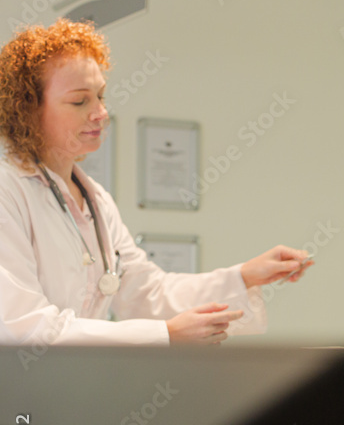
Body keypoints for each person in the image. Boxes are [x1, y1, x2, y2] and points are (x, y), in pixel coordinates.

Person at [0, 19, 312, 347]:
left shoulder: (96, 201)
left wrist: (244, 276)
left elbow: (147, 294)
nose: (101, 113)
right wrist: (166, 334)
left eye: (101, 96)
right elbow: (25, 328)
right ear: (28, 109)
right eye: (80, 101)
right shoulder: (8, 191)